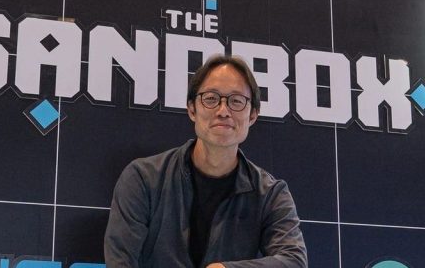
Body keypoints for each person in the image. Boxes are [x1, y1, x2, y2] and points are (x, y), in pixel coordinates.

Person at [104, 54, 308, 268]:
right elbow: (120, 262)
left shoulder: (270, 195)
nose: (223, 111)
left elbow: (294, 261)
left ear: (253, 116)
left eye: (236, 101)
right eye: (211, 98)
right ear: (192, 109)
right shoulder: (143, 179)